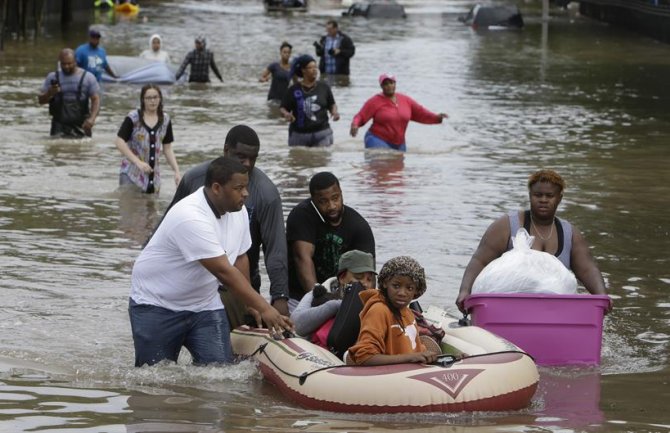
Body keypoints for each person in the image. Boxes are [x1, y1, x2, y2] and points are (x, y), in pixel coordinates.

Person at [128, 157, 293, 367]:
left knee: (219, 374)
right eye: (239, 188)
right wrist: (265, 307)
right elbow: (224, 272)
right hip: (157, 305)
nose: (246, 194)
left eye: (247, 187)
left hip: (204, 306)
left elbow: (240, 257)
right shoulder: (190, 216)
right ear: (216, 188)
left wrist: (249, 303)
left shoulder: (239, 211)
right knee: (154, 381)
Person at [158, 125, 290, 318]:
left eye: (253, 159)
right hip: (189, 285)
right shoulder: (194, 179)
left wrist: (279, 298)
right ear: (226, 150)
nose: (247, 164)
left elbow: (275, 250)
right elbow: (165, 229)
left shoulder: (266, 194)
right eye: (240, 157)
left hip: (239, 285)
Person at [455, 169, 612, 314]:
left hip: (554, 311)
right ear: (530, 196)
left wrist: (602, 296)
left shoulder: (570, 233)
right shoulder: (506, 226)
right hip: (508, 308)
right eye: (538, 195)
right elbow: (480, 260)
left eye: (549, 196)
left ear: (559, 198)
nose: (543, 200)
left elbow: (587, 269)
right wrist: (465, 291)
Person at [286, 171, 375, 309]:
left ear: (341, 193)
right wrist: (316, 299)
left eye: (335, 198)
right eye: (323, 201)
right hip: (299, 296)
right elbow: (302, 258)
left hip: (340, 296)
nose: (332, 206)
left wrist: (368, 306)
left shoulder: (358, 225)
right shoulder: (301, 216)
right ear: (313, 201)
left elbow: (368, 274)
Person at [346, 256, 438, 365]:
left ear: (416, 290)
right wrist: (411, 358)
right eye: (396, 286)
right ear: (385, 283)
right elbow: (364, 357)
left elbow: (416, 351)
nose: (402, 293)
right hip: (387, 377)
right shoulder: (378, 310)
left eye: (409, 288)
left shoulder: (408, 313)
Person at [350, 73, 448, 152]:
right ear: (381, 86)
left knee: (397, 173)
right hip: (377, 139)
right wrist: (355, 124)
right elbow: (361, 116)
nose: (389, 86)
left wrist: (437, 118)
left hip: (399, 144)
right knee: (381, 168)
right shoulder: (375, 101)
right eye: (386, 84)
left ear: (395, 84)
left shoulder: (405, 100)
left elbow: (421, 113)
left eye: (391, 83)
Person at [291, 249, 376, 340]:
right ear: (342, 277)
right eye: (358, 277)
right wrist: (336, 306)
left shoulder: (374, 301)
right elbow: (296, 325)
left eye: (369, 279)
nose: (365, 284)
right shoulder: (318, 293)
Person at [115, 84, 181, 194]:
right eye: (149, 98)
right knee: (130, 208)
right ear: (143, 100)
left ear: (160, 99)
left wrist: (176, 171)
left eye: (155, 97)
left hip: (153, 178)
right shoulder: (133, 118)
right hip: (131, 174)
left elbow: (167, 148)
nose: (152, 101)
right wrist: (138, 162)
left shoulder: (165, 120)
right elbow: (119, 142)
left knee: (152, 209)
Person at [38, 48, 100, 138]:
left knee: (84, 151)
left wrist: (92, 119)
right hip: (58, 125)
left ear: (75, 61)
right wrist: (49, 93)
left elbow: (95, 100)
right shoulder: (52, 77)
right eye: (63, 64)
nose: (66, 66)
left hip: (82, 125)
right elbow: (41, 101)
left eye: (69, 63)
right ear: (59, 63)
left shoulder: (88, 77)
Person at [279, 54, 339, 147]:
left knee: (321, 157)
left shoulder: (324, 87)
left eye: (316, 67)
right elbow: (283, 108)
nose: (314, 70)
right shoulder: (293, 89)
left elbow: (332, 104)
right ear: (303, 70)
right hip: (298, 135)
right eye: (311, 67)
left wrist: (334, 112)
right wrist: (286, 114)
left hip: (322, 133)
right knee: (298, 159)